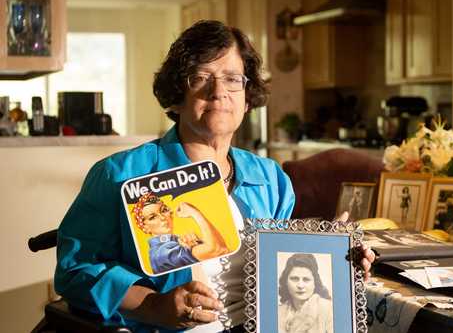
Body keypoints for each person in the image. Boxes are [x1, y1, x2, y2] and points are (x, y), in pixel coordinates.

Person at [54, 20, 375, 333]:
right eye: (200, 77)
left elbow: (281, 274)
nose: (219, 91)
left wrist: (337, 261)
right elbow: (75, 271)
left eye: (233, 79)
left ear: (248, 97)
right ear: (177, 95)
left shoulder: (271, 179)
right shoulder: (119, 175)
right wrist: (152, 305)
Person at [132, 193, 229, 274]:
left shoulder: (175, 242)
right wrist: (195, 213)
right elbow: (217, 249)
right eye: (152, 217)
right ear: (145, 227)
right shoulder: (162, 253)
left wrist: (196, 244)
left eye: (164, 210)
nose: (162, 218)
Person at [278, 254, 333, 333]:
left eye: (306, 279)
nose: (300, 285)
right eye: (294, 279)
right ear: (286, 282)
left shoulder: (328, 309)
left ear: (315, 283)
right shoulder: (279, 312)